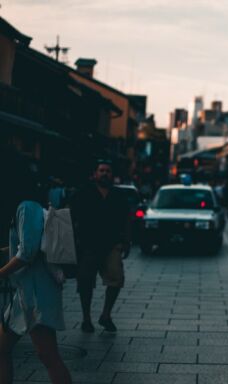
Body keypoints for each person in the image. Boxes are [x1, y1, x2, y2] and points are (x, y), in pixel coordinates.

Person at [0, 145, 72, 384]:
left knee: (48, 355)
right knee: (2, 348)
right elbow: (22, 246)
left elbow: (27, 253)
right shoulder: (22, 206)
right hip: (24, 294)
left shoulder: (26, 206)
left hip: (36, 292)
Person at [70, 160, 130, 333]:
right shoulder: (83, 193)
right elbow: (71, 218)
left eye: (108, 171)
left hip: (112, 244)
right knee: (86, 282)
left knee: (116, 279)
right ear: (95, 174)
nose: (105, 173)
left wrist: (127, 241)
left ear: (113, 175)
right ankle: (86, 318)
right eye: (101, 170)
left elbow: (126, 219)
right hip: (88, 245)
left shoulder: (118, 195)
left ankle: (106, 314)